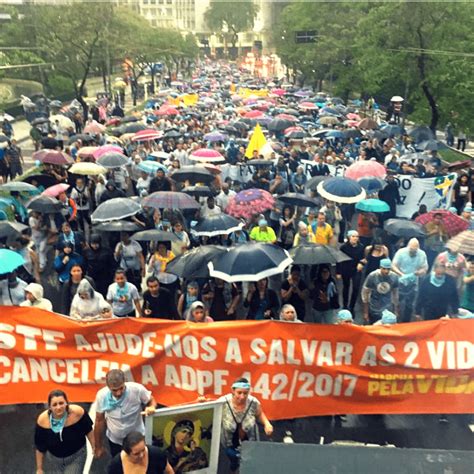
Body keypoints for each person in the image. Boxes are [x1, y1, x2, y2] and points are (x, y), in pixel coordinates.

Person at [94, 369, 157, 459]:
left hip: (137, 439)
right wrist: (98, 446)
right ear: (108, 387)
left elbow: (151, 400)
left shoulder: (137, 389)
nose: (118, 393)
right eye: (114, 390)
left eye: (121, 388)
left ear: (125, 382)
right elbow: (99, 421)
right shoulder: (101, 396)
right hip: (115, 441)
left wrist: (152, 407)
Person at [218, 378, 273, 474]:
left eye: (245, 393)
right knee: (233, 458)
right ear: (233, 391)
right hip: (230, 442)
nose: (242, 396)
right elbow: (210, 408)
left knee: (249, 462)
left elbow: (259, 414)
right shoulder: (223, 402)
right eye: (239, 393)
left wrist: (266, 424)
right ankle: (234, 464)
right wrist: (201, 402)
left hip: (250, 441)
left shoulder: (253, 402)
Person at [35, 389, 94, 474]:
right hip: (54, 459)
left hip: (76, 456)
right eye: (54, 405)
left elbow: (88, 430)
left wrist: (94, 447)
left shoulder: (78, 413)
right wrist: (39, 468)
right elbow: (40, 447)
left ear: (67, 403)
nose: (58, 407)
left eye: (61, 403)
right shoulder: (42, 421)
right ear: (50, 407)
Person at [391, 238, 428, 323]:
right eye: (411, 250)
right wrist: (401, 274)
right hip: (400, 280)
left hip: (413, 282)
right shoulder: (401, 252)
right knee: (396, 301)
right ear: (408, 247)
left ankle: (406, 321)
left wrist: (418, 272)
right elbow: (393, 265)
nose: (413, 252)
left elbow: (425, 268)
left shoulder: (422, 254)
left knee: (410, 304)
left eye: (415, 250)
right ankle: (394, 318)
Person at [108, 431, 173, 474]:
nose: (141, 455)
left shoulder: (156, 454)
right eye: (136, 454)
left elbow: (169, 471)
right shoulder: (116, 465)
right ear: (127, 453)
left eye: (143, 450)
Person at [361, 258, 399, 324]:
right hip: (374, 307)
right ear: (380, 267)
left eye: (388, 269)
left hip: (387, 307)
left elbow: (395, 294)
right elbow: (365, 294)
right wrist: (365, 312)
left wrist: (396, 310)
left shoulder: (394, 277)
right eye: (384, 268)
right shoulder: (372, 276)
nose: (386, 271)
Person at [336, 230, 365, 312]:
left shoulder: (361, 247)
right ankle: (345, 305)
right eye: (353, 236)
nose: (355, 238)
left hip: (356, 269)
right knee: (346, 287)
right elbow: (339, 259)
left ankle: (352, 306)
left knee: (356, 287)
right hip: (346, 269)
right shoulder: (343, 247)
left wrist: (361, 263)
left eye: (357, 236)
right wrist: (338, 272)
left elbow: (363, 258)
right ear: (349, 238)